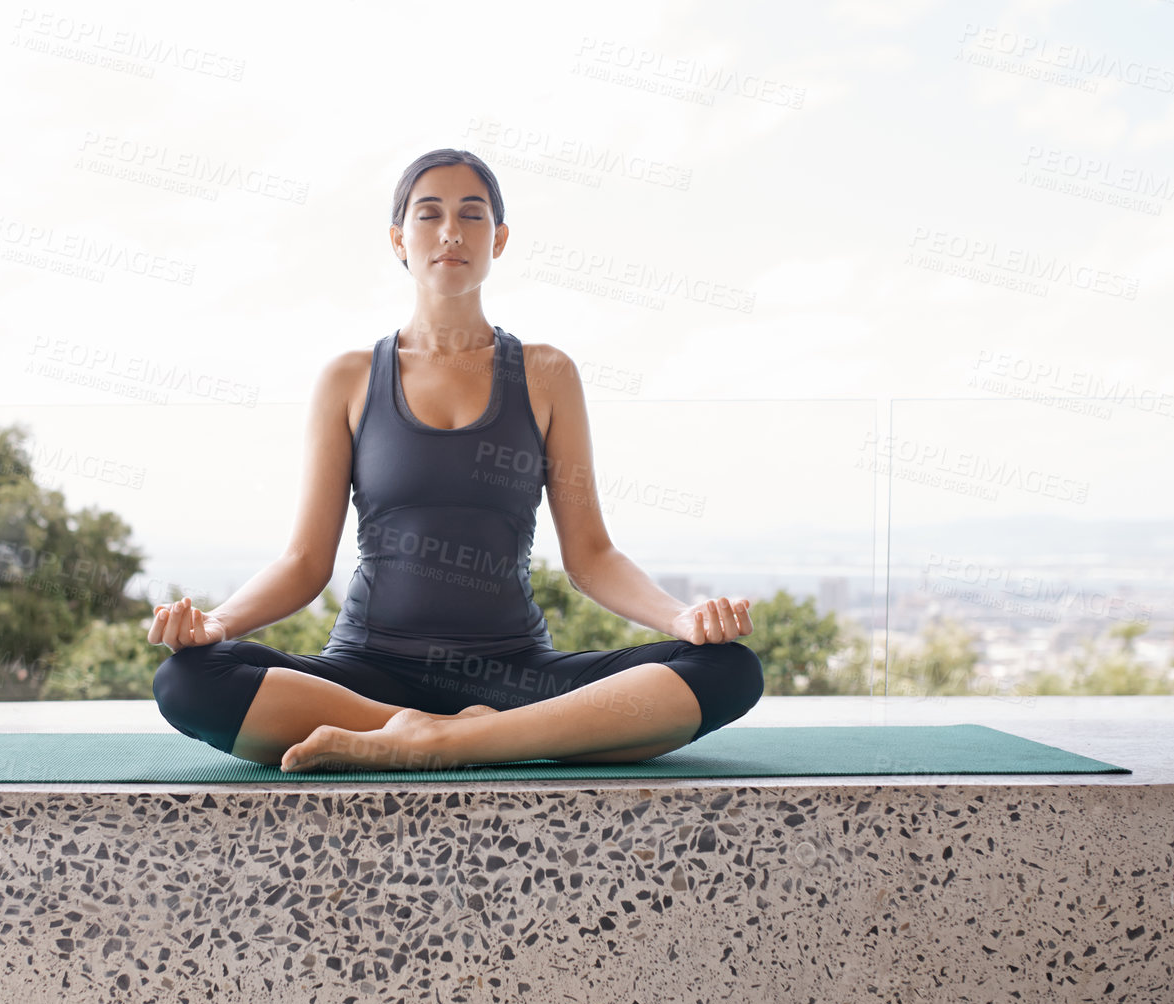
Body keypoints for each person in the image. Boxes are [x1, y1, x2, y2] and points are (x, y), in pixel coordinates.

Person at [150, 148, 763, 773]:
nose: (451, 232)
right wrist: (217, 624)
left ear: (497, 239)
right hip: (367, 672)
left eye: (472, 215)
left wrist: (682, 617)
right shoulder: (350, 378)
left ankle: (432, 743)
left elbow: (593, 558)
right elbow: (305, 564)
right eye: (429, 214)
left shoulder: (547, 373)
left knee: (727, 668)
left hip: (515, 676)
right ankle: (480, 737)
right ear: (398, 240)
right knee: (189, 680)